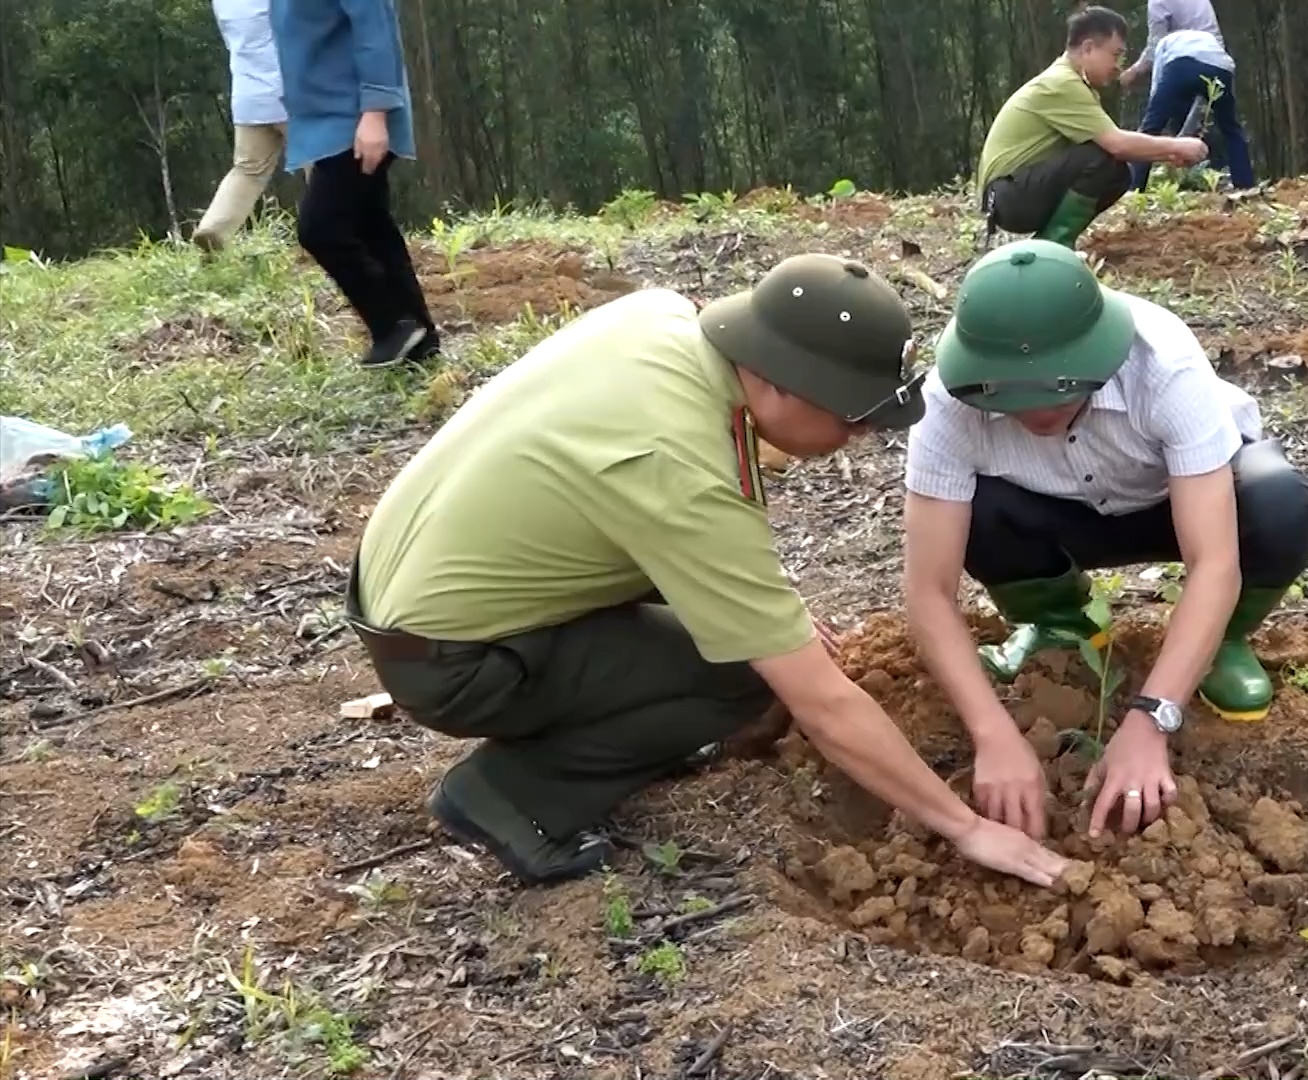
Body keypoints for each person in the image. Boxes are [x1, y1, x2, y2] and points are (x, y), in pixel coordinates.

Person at [344, 252, 1069, 890]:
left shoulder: (659, 319)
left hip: (413, 578)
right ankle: (512, 798)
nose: (856, 438)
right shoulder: (680, 467)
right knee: (745, 677)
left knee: (751, 642)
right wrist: (965, 827)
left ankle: (597, 722)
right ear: (782, 383)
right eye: (853, 418)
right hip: (450, 660)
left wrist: (763, 615)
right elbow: (822, 703)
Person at [901, 240, 1308, 841]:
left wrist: (1151, 722)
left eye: (1057, 390)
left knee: (1278, 505)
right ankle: (1060, 628)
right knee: (977, 513)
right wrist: (992, 735)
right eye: (1012, 397)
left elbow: (1214, 561)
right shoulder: (947, 398)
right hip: (1052, 512)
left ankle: (1220, 641)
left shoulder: (1162, 361)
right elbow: (928, 590)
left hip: (1176, 502)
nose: (1036, 412)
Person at [271, 0, 439, 368]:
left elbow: (375, 29)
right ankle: (420, 341)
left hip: (356, 116)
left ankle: (393, 323)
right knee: (370, 225)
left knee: (321, 228)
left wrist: (376, 112)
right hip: (324, 114)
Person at [976, 6, 1208, 249]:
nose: (1118, 65)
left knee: (1117, 173)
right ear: (1088, 48)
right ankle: (1055, 247)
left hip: (1011, 194)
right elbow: (1117, 144)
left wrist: (1167, 153)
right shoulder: (1063, 83)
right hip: (1007, 199)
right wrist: (1176, 146)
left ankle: (1048, 246)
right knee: (1100, 158)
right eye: (1115, 54)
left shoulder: (1071, 82)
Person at [190, 0, 287, 252]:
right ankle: (334, 232)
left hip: (249, 96)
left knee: (247, 171)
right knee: (322, 166)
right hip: (291, 90)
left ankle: (214, 229)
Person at [1129, 28, 1255, 191]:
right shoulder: (1207, 38)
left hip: (1181, 65)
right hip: (1221, 68)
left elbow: (1158, 85)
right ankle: (1245, 185)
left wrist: (1155, 118)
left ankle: (1135, 188)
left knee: (1150, 129)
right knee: (1230, 129)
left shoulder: (1164, 44)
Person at [1114, 0, 1223, 144]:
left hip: (1186, 64)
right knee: (1209, 128)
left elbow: (1155, 48)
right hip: (1218, 61)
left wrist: (1131, 74)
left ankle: (1139, 163)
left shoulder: (1158, 2)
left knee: (1155, 127)